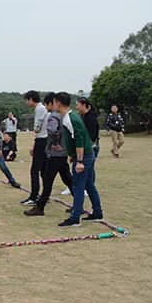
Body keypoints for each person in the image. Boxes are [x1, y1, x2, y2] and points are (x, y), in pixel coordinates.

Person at [54, 92, 104, 227]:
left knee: (78, 186)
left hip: (85, 156)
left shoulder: (70, 118)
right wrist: (71, 154)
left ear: (58, 103)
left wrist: (80, 161)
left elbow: (79, 140)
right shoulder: (70, 117)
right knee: (89, 184)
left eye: (54, 102)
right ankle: (97, 212)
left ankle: (75, 218)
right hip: (86, 155)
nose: (54, 105)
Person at [23, 92, 74, 216]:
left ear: (54, 103)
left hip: (55, 153)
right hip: (63, 153)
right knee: (67, 178)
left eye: (48, 104)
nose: (46, 107)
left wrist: (55, 143)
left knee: (47, 179)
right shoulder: (66, 116)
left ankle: (40, 207)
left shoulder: (54, 116)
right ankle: (78, 203)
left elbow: (51, 130)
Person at [19, 91, 49, 206]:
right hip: (43, 140)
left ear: (31, 99)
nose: (27, 103)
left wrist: (35, 130)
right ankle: (45, 195)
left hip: (42, 141)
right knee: (43, 171)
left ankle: (34, 196)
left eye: (27, 100)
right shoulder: (42, 108)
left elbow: (37, 127)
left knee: (35, 170)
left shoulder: (39, 109)